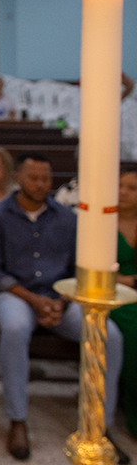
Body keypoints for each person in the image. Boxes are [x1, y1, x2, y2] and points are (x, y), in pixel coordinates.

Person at [0, 152, 128, 462]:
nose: (40, 184)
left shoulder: (67, 218)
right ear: (18, 178)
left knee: (108, 335)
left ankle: (99, 424)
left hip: (61, 296)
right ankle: (18, 419)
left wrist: (60, 301)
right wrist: (35, 301)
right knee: (15, 328)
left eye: (45, 179)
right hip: (17, 296)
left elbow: (78, 268)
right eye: (33, 178)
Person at [111, 163, 137, 438]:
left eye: (132, 188)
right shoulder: (103, 220)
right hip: (114, 295)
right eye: (120, 186)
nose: (124, 192)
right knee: (132, 327)